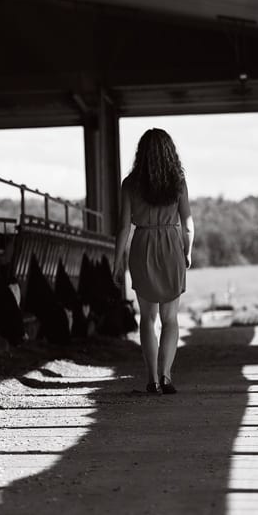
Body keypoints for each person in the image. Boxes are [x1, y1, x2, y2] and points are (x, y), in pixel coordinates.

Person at [113, 128, 194, 395]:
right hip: (171, 246)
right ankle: (167, 376)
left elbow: (124, 227)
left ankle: (151, 379)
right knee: (170, 319)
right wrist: (188, 251)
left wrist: (117, 262)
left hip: (143, 246)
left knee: (147, 318)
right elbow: (188, 224)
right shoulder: (178, 181)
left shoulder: (130, 183)